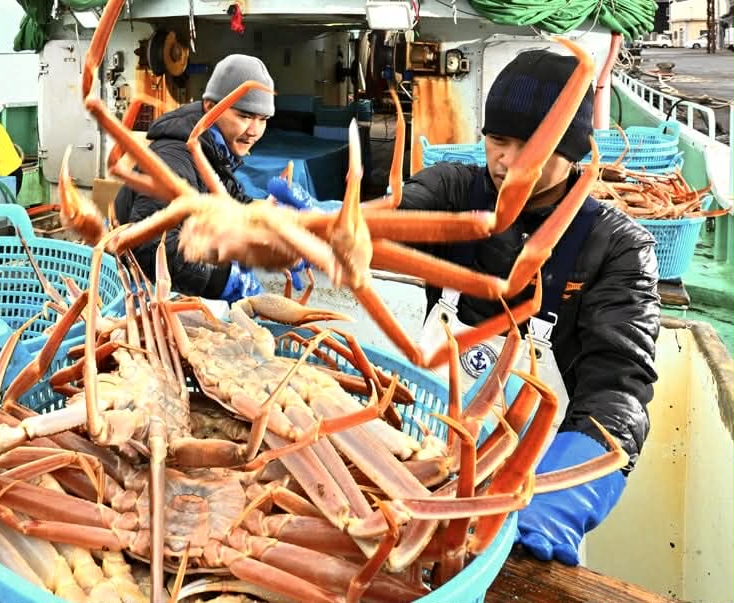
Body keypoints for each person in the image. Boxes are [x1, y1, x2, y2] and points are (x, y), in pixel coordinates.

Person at [270, 48, 662, 566]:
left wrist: (569, 493)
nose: (506, 160)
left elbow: (619, 385)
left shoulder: (617, 246)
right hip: (432, 456)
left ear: (573, 152)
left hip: (536, 477)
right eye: (498, 140)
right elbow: (401, 215)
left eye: (530, 147)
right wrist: (337, 227)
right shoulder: (456, 188)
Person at [113, 54, 276, 302]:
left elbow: (230, 202)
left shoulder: (213, 149)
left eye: (262, 120)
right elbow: (148, 245)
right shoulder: (173, 159)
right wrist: (222, 279)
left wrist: (282, 217)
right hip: (138, 289)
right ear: (211, 107)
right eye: (244, 116)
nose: (254, 131)